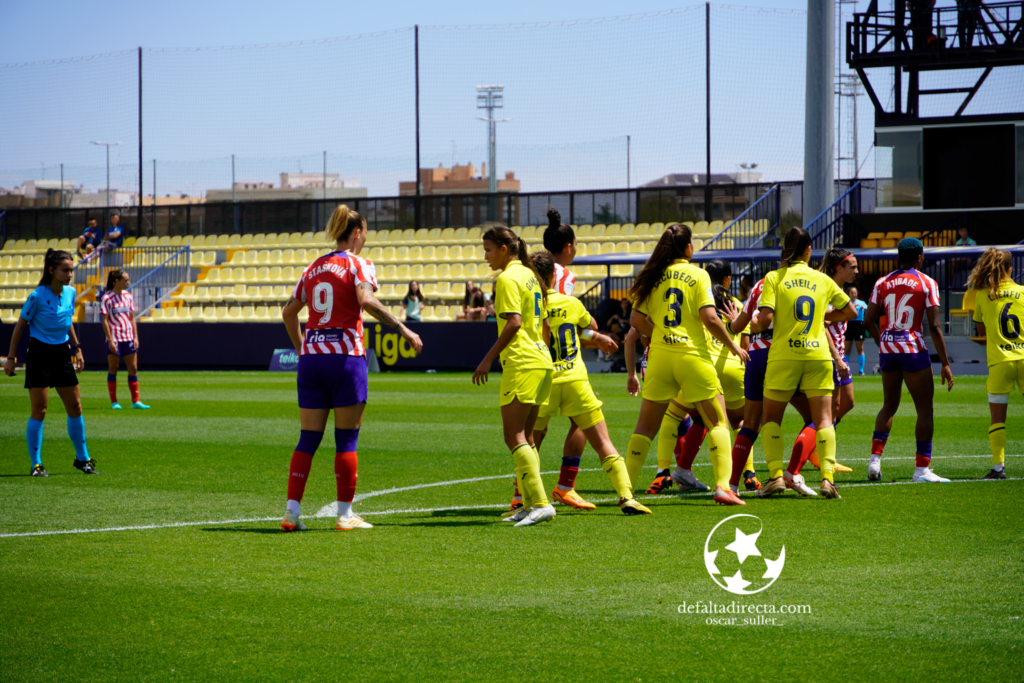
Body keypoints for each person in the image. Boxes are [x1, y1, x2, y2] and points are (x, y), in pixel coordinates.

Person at [279, 205, 422, 533]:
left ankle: (291, 512)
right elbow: (367, 301)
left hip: (312, 361)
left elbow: (289, 314)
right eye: (366, 231)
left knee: (307, 439)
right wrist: (404, 328)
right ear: (357, 232)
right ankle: (345, 515)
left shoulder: (313, 267)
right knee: (346, 440)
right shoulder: (359, 264)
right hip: (345, 358)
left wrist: (303, 349)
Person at [624, 224, 749, 506]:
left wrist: (657, 333)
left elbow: (635, 321)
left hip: (659, 357)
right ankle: (723, 487)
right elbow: (710, 318)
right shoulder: (697, 273)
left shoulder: (653, 275)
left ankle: (626, 491)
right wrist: (734, 346)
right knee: (718, 421)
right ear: (688, 246)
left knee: (645, 427)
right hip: (691, 357)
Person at [529, 252, 651, 515]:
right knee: (603, 441)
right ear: (553, 276)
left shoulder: (530, 306)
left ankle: (522, 497)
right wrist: (596, 336)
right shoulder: (570, 303)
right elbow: (588, 326)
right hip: (574, 379)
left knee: (529, 443)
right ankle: (626, 496)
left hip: (543, 382)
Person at [757, 227, 856, 499]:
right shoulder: (822, 280)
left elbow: (765, 319)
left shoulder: (774, 277)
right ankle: (827, 479)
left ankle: (776, 476)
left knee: (771, 419)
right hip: (818, 355)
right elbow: (851, 311)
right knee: (824, 419)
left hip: (783, 355)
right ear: (809, 251)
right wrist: (826, 318)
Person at [472, 225, 556, 527]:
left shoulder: (508, 278)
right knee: (528, 437)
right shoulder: (531, 276)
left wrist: (486, 360)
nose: (486, 256)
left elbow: (514, 324)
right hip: (540, 360)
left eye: (489, 249)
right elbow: (543, 324)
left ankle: (541, 503)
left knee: (514, 436)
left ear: (504, 249)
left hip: (521, 362)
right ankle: (531, 504)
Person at [647, 259, 753, 497]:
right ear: (727, 280)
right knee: (739, 424)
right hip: (732, 370)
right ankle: (743, 476)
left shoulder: (694, 297)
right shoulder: (735, 303)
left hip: (701, 367)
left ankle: (669, 469)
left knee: (678, 415)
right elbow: (745, 342)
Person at [864, 237, 954, 484]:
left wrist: (881, 342)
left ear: (898, 257)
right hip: (911, 347)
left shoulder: (882, 282)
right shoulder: (927, 283)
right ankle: (922, 470)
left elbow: (868, 320)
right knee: (925, 408)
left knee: (889, 405)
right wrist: (945, 363)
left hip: (888, 347)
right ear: (920, 257)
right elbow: (934, 326)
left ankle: (874, 461)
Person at [4, 249, 96, 477]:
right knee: (40, 409)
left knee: (75, 407)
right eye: (65, 270)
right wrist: (11, 358)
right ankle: (36, 464)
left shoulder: (71, 292)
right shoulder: (37, 296)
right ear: (52, 270)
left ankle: (82, 459)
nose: (69, 274)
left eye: (71, 270)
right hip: (39, 355)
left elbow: (67, 321)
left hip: (62, 353)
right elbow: (20, 326)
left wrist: (78, 349)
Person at [967, 248, 1022, 480]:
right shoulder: (1022, 291)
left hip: (1000, 361)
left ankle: (999, 469)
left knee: (997, 418)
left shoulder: (981, 294)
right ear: (1011, 269)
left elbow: (981, 330)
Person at [100, 269, 149, 410]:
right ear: (116, 281)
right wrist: (109, 340)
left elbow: (132, 317)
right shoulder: (106, 298)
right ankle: (114, 402)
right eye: (126, 280)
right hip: (114, 337)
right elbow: (104, 320)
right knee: (113, 368)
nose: (128, 282)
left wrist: (136, 336)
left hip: (128, 337)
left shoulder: (128, 296)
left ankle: (135, 401)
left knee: (133, 368)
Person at [544, 208, 578, 296]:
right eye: (576, 244)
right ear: (568, 247)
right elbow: (563, 307)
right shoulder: (564, 275)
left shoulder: (536, 271)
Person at [845, 286, 869, 375]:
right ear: (849, 294)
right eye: (852, 293)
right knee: (847, 349)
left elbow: (869, 309)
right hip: (849, 325)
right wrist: (853, 307)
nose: (854, 294)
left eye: (855, 292)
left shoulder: (861, 302)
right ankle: (846, 369)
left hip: (859, 325)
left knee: (860, 348)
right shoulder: (847, 303)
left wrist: (865, 308)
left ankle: (861, 370)